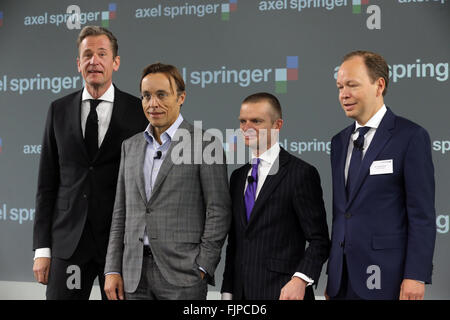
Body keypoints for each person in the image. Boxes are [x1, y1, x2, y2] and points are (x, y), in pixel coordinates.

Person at [32, 26, 148, 300]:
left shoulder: (139, 111)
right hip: (68, 244)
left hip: (118, 246)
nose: (93, 61)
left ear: (115, 62)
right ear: (78, 63)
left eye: (101, 54)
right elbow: (46, 184)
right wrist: (42, 249)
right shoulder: (58, 110)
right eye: (87, 55)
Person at [103, 63, 232, 300]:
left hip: (184, 277)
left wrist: (203, 266)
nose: (153, 103)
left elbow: (218, 210)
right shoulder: (129, 147)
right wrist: (112, 268)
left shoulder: (205, 144)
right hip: (133, 276)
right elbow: (120, 213)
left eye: (161, 95)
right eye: (146, 96)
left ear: (181, 97)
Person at [326, 50, 436, 300]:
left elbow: (422, 215)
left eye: (352, 85)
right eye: (340, 86)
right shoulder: (339, 142)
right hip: (342, 281)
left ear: (379, 85)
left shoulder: (410, 137)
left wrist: (416, 275)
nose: (343, 94)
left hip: (388, 279)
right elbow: (342, 213)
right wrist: (333, 275)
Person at [221, 92, 330, 300]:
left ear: (277, 125)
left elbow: (319, 240)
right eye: (243, 121)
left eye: (256, 121)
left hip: (284, 293)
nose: (247, 128)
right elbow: (235, 243)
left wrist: (300, 280)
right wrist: (227, 292)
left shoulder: (301, 173)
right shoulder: (237, 177)